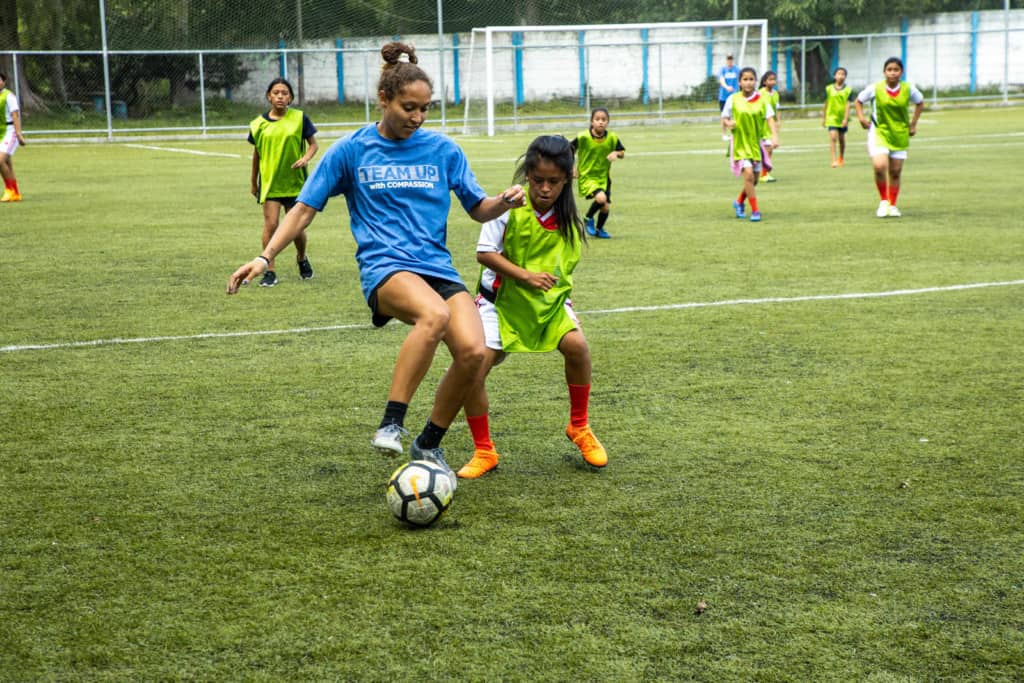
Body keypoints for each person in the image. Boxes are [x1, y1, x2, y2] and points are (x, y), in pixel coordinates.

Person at [227, 42, 526, 484]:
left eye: (426, 109)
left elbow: (477, 208)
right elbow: (304, 209)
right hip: (386, 267)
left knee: (474, 353)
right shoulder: (351, 150)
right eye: (409, 107)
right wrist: (265, 255)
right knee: (434, 315)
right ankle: (392, 422)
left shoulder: (444, 151)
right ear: (384, 99)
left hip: (437, 268)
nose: (418, 117)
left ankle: (429, 443)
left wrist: (503, 201)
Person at [457, 135, 607, 479]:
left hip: (546, 304)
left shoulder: (568, 217)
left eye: (553, 182)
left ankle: (579, 427)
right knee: (474, 370)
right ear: (527, 175)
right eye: (537, 180)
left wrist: (566, 302)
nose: (544, 189)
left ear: (567, 179)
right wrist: (524, 276)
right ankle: (484, 450)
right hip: (500, 304)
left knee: (578, 347)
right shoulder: (507, 206)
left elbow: (561, 269)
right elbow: (484, 254)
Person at [248, 77, 319, 287]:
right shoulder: (258, 124)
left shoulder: (299, 118)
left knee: (295, 228)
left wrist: (305, 158)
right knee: (271, 225)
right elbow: (257, 154)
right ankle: (269, 270)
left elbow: (313, 145)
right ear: (269, 96)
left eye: (285, 93)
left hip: (295, 183)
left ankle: (302, 258)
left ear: (290, 98)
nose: (280, 96)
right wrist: (253, 182)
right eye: (276, 92)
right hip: (270, 183)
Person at [854, 56, 924, 218]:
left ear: (901, 72)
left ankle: (892, 205)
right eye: (889, 70)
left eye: (896, 70)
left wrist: (913, 124)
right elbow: (858, 101)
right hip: (879, 131)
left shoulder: (909, 89)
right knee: (879, 166)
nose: (892, 73)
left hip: (899, 132)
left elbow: (920, 102)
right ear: (884, 72)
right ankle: (883, 201)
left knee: (895, 171)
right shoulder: (875, 88)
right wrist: (862, 118)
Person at [722, 66, 779, 222]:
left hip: (756, 144)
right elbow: (724, 118)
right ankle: (755, 211)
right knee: (747, 174)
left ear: (755, 81)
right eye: (745, 79)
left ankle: (739, 201)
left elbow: (770, 119)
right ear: (740, 82)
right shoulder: (732, 99)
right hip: (740, 144)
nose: (748, 82)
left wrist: (774, 137)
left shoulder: (762, 100)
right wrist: (728, 123)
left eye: (751, 79)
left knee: (753, 180)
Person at [570, 107, 624, 239]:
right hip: (587, 176)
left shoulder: (612, 137)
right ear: (591, 121)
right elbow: (568, 150)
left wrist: (615, 153)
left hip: (604, 177)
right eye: (597, 119)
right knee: (601, 198)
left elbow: (622, 152)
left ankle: (599, 230)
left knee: (605, 207)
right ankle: (588, 218)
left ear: (608, 122)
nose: (601, 122)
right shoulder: (583, 137)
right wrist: (572, 167)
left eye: (604, 119)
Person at [0, 71, 27, 203]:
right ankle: (15, 193)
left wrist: (18, 134)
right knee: (7, 163)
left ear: (3, 82)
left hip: (10, 132)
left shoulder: (9, 96)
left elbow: (15, 115)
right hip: (1, 133)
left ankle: (9, 190)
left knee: (0, 161)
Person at [822, 67, 854, 168]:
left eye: (843, 74)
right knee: (833, 137)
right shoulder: (828, 89)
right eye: (839, 74)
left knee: (841, 139)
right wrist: (824, 117)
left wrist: (845, 118)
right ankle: (833, 160)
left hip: (842, 118)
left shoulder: (848, 90)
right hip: (832, 117)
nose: (841, 76)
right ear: (834, 76)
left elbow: (848, 105)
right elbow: (826, 104)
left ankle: (841, 157)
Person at [757, 70, 780, 182]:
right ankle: (761, 172)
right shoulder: (760, 93)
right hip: (762, 124)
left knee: (769, 149)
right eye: (770, 79)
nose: (773, 81)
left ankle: (764, 173)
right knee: (765, 148)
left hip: (770, 124)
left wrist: (778, 121)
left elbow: (776, 109)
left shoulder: (775, 94)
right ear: (764, 81)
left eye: (774, 79)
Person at [717, 54, 740, 140]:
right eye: (728, 59)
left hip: (734, 96)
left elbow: (740, 80)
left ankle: (735, 133)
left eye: (731, 59)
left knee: (735, 115)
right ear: (726, 60)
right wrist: (727, 87)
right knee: (724, 116)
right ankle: (724, 134)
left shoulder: (737, 69)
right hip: (724, 96)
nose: (730, 61)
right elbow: (721, 80)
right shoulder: (722, 70)